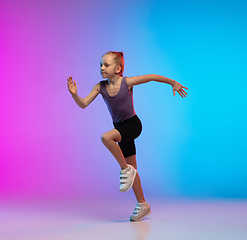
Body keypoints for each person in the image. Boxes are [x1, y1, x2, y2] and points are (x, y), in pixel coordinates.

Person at [67, 51, 188, 221]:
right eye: (101, 65)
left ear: (118, 68)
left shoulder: (127, 83)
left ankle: (125, 170)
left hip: (133, 125)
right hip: (120, 128)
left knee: (106, 138)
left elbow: (151, 77)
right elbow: (83, 104)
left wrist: (173, 82)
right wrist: (74, 95)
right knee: (134, 170)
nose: (102, 68)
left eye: (106, 65)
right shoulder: (100, 87)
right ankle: (143, 204)